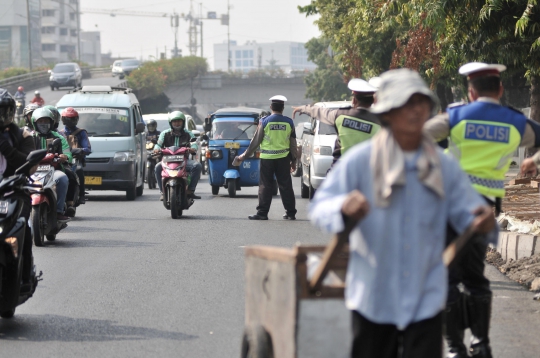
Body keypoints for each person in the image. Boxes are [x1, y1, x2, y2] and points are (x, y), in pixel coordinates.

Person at [309, 69, 497, 358]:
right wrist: (343, 206)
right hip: (373, 297)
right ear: (388, 112)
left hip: (426, 299)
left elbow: (468, 213)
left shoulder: (443, 168)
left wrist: (483, 221)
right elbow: (320, 208)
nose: (417, 110)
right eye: (408, 103)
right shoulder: (361, 162)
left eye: (422, 103)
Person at [424, 62, 540, 358]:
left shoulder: (457, 116)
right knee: (475, 274)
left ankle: (454, 347)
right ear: (500, 90)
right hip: (485, 208)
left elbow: (417, 135)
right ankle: (481, 344)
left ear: (470, 92)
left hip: (450, 204)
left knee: (447, 275)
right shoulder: (516, 122)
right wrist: (533, 161)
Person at [235, 95, 297, 220]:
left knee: (265, 185)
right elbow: (293, 144)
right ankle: (290, 213)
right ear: (283, 108)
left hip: (267, 158)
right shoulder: (289, 122)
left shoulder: (264, 121)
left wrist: (244, 156)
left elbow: (255, 142)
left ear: (271, 107)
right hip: (283, 158)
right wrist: (294, 161)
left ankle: (262, 213)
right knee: (285, 186)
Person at [0, 88, 37, 294]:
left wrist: (5, 147)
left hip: (14, 192)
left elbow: (31, 166)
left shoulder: (22, 135)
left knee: (25, 227)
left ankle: (25, 276)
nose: (1, 117)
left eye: (4, 111)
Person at [292, 78, 381, 161]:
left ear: (354, 101)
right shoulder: (380, 122)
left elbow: (321, 112)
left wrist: (304, 108)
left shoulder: (340, 115)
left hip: (340, 169)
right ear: (373, 101)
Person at [30, 108, 71, 222]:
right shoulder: (29, 137)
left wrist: (65, 157)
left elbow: (68, 153)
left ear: (52, 123)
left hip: (53, 170)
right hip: (31, 171)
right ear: (35, 123)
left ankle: (58, 211)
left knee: (63, 179)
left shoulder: (59, 137)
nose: (43, 124)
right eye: (40, 121)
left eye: (46, 121)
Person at [154, 111, 202, 200]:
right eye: (174, 121)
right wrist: (156, 149)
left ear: (183, 122)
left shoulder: (188, 134)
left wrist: (193, 148)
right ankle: (162, 192)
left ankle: (190, 190)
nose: (177, 123)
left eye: (179, 121)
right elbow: (158, 144)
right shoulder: (164, 134)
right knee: (157, 167)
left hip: (183, 161)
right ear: (170, 123)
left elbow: (194, 143)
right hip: (167, 161)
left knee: (197, 166)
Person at [60, 107, 91, 208]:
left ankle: (81, 194)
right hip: (63, 159)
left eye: (71, 119)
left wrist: (79, 151)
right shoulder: (60, 133)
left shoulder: (81, 132)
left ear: (76, 120)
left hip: (76, 159)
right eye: (66, 119)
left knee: (79, 170)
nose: (69, 122)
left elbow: (87, 149)